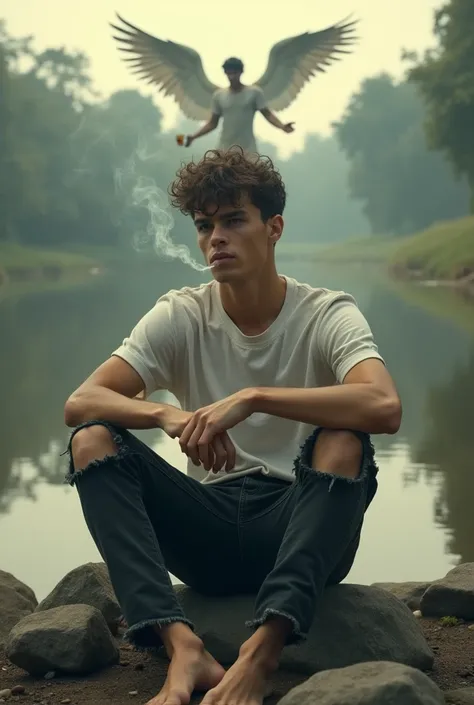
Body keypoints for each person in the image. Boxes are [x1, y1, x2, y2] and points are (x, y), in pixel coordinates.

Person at [64, 147, 402, 705]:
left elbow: (383, 406)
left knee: (344, 440)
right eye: (203, 225)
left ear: (273, 228)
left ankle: (261, 651)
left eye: (232, 220)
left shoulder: (326, 313)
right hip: (208, 528)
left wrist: (252, 398)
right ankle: (181, 646)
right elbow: (82, 401)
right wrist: (166, 414)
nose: (215, 237)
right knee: (92, 440)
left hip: (302, 522)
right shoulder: (181, 313)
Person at [184, 57, 294, 154]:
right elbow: (212, 123)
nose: (231, 77)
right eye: (229, 73)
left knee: (254, 176)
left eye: (234, 73)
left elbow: (268, 114)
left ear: (240, 72)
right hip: (224, 148)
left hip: (248, 149)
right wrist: (194, 137)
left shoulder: (254, 93)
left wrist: (282, 126)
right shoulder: (219, 96)